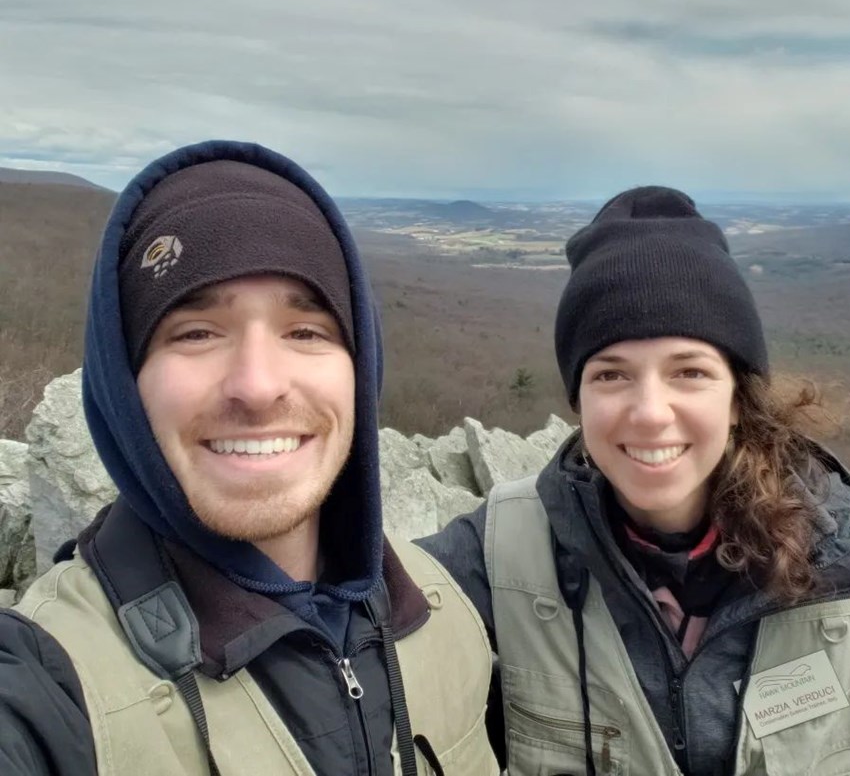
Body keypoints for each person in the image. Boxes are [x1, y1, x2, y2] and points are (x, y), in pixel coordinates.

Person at [0, 141, 498, 776]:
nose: (258, 385)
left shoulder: (441, 611)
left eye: (306, 332)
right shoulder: (48, 682)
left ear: (361, 369)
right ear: (124, 384)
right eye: (196, 332)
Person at [419, 186, 850, 775]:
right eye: (611, 374)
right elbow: (345, 622)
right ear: (579, 400)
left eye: (690, 372)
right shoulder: (500, 553)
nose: (650, 411)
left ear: (736, 397)